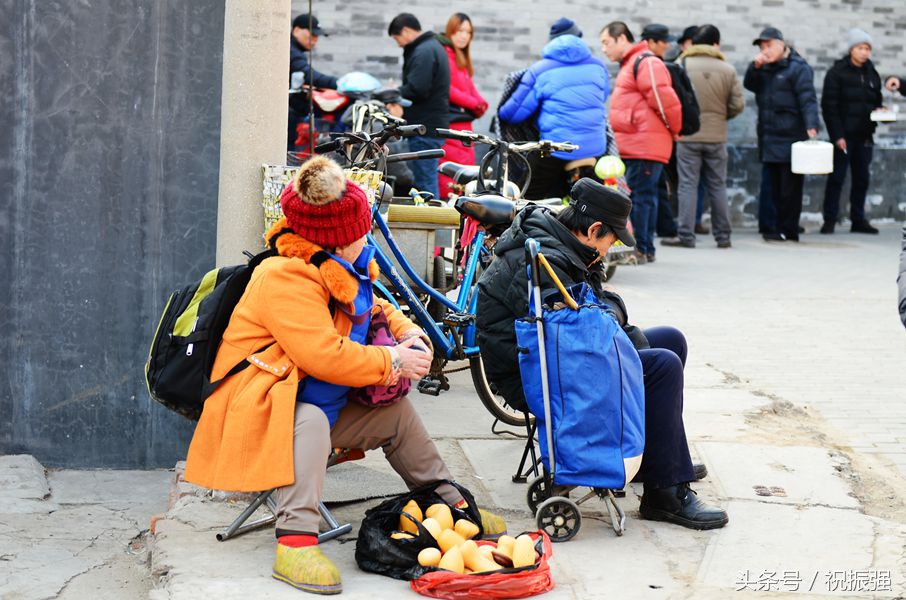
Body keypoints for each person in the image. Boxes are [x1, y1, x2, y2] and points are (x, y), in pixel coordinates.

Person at [183, 156, 505, 595]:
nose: (367, 235)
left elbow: (374, 306)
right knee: (311, 417)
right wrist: (393, 362)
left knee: (397, 416)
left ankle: (449, 504)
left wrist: (406, 331)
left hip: (309, 396)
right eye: (361, 230)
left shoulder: (334, 264)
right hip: (262, 406)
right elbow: (325, 355)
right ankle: (295, 541)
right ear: (336, 239)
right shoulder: (284, 277)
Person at [475, 178, 728, 530]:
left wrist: (619, 323)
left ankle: (659, 459)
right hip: (534, 372)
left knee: (670, 340)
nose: (610, 250)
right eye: (612, 240)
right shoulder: (545, 260)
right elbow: (589, 327)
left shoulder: (565, 246)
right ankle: (664, 492)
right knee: (662, 366)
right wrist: (621, 327)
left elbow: (598, 313)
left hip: (564, 354)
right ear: (594, 229)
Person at [498, 17, 610, 200]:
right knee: (593, 203)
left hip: (557, 148)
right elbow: (603, 96)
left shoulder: (540, 70)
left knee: (524, 198)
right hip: (593, 148)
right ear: (579, 38)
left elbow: (512, 115)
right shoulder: (598, 66)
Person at [601, 21, 682, 264]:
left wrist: (674, 131)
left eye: (606, 42)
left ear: (622, 38)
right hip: (637, 143)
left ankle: (643, 249)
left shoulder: (646, 62)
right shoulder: (632, 64)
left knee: (642, 198)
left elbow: (665, 101)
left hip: (644, 145)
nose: (604, 49)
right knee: (643, 196)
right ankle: (643, 248)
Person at [664, 24, 744, 249]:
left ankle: (686, 236)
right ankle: (723, 237)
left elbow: (672, 99)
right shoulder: (727, 69)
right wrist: (719, 117)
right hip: (717, 137)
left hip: (688, 136)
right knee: (717, 185)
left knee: (687, 185)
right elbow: (738, 104)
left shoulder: (682, 64)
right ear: (715, 44)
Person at [744, 27, 820, 243]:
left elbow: (807, 97)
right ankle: (771, 228)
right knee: (770, 186)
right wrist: (755, 66)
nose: (764, 51)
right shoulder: (763, 68)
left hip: (790, 136)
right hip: (768, 136)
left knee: (790, 187)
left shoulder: (798, 67)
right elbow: (750, 84)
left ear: (781, 44)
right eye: (761, 47)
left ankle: (789, 228)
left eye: (768, 46)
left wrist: (811, 124)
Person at [820, 29, 883, 235]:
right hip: (844, 137)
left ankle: (858, 219)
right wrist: (837, 135)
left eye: (867, 48)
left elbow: (876, 101)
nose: (864, 52)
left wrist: (881, 111)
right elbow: (830, 107)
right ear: (851, 49)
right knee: (837, 178)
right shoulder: (837, 73)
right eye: (860, 48)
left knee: (862, 179)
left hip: (865, 136)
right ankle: (830, 219)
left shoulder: (872, 73)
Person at [388, 13, 451, 199]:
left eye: (396, 38)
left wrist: (394, 92)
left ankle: (433, 226)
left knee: (425, 186)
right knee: (426, 181)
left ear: (406, 31)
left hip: (425, 128)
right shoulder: (431, 47)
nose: (398, 43)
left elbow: (418, 88)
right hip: (431, 126)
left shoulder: (423, 51)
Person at [437, 13, 488, 198]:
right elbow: (448, 88)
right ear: (450, 31)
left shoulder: (460, 59)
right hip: (452, 126)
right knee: (450, 179)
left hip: (464, 129)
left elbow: (469, 87)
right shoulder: (444, 55)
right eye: (459, 31)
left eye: (468, 32)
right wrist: (475, 103)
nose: (464, 36)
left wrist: (481, 103)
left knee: (463, 179)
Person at [288, 15, 339, 151]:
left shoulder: (295, 50)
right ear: (297, 30)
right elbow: (308, 74)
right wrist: (338, 83)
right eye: (312, 34)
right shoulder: (290, 51)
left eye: (317, 36)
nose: (315, 40)